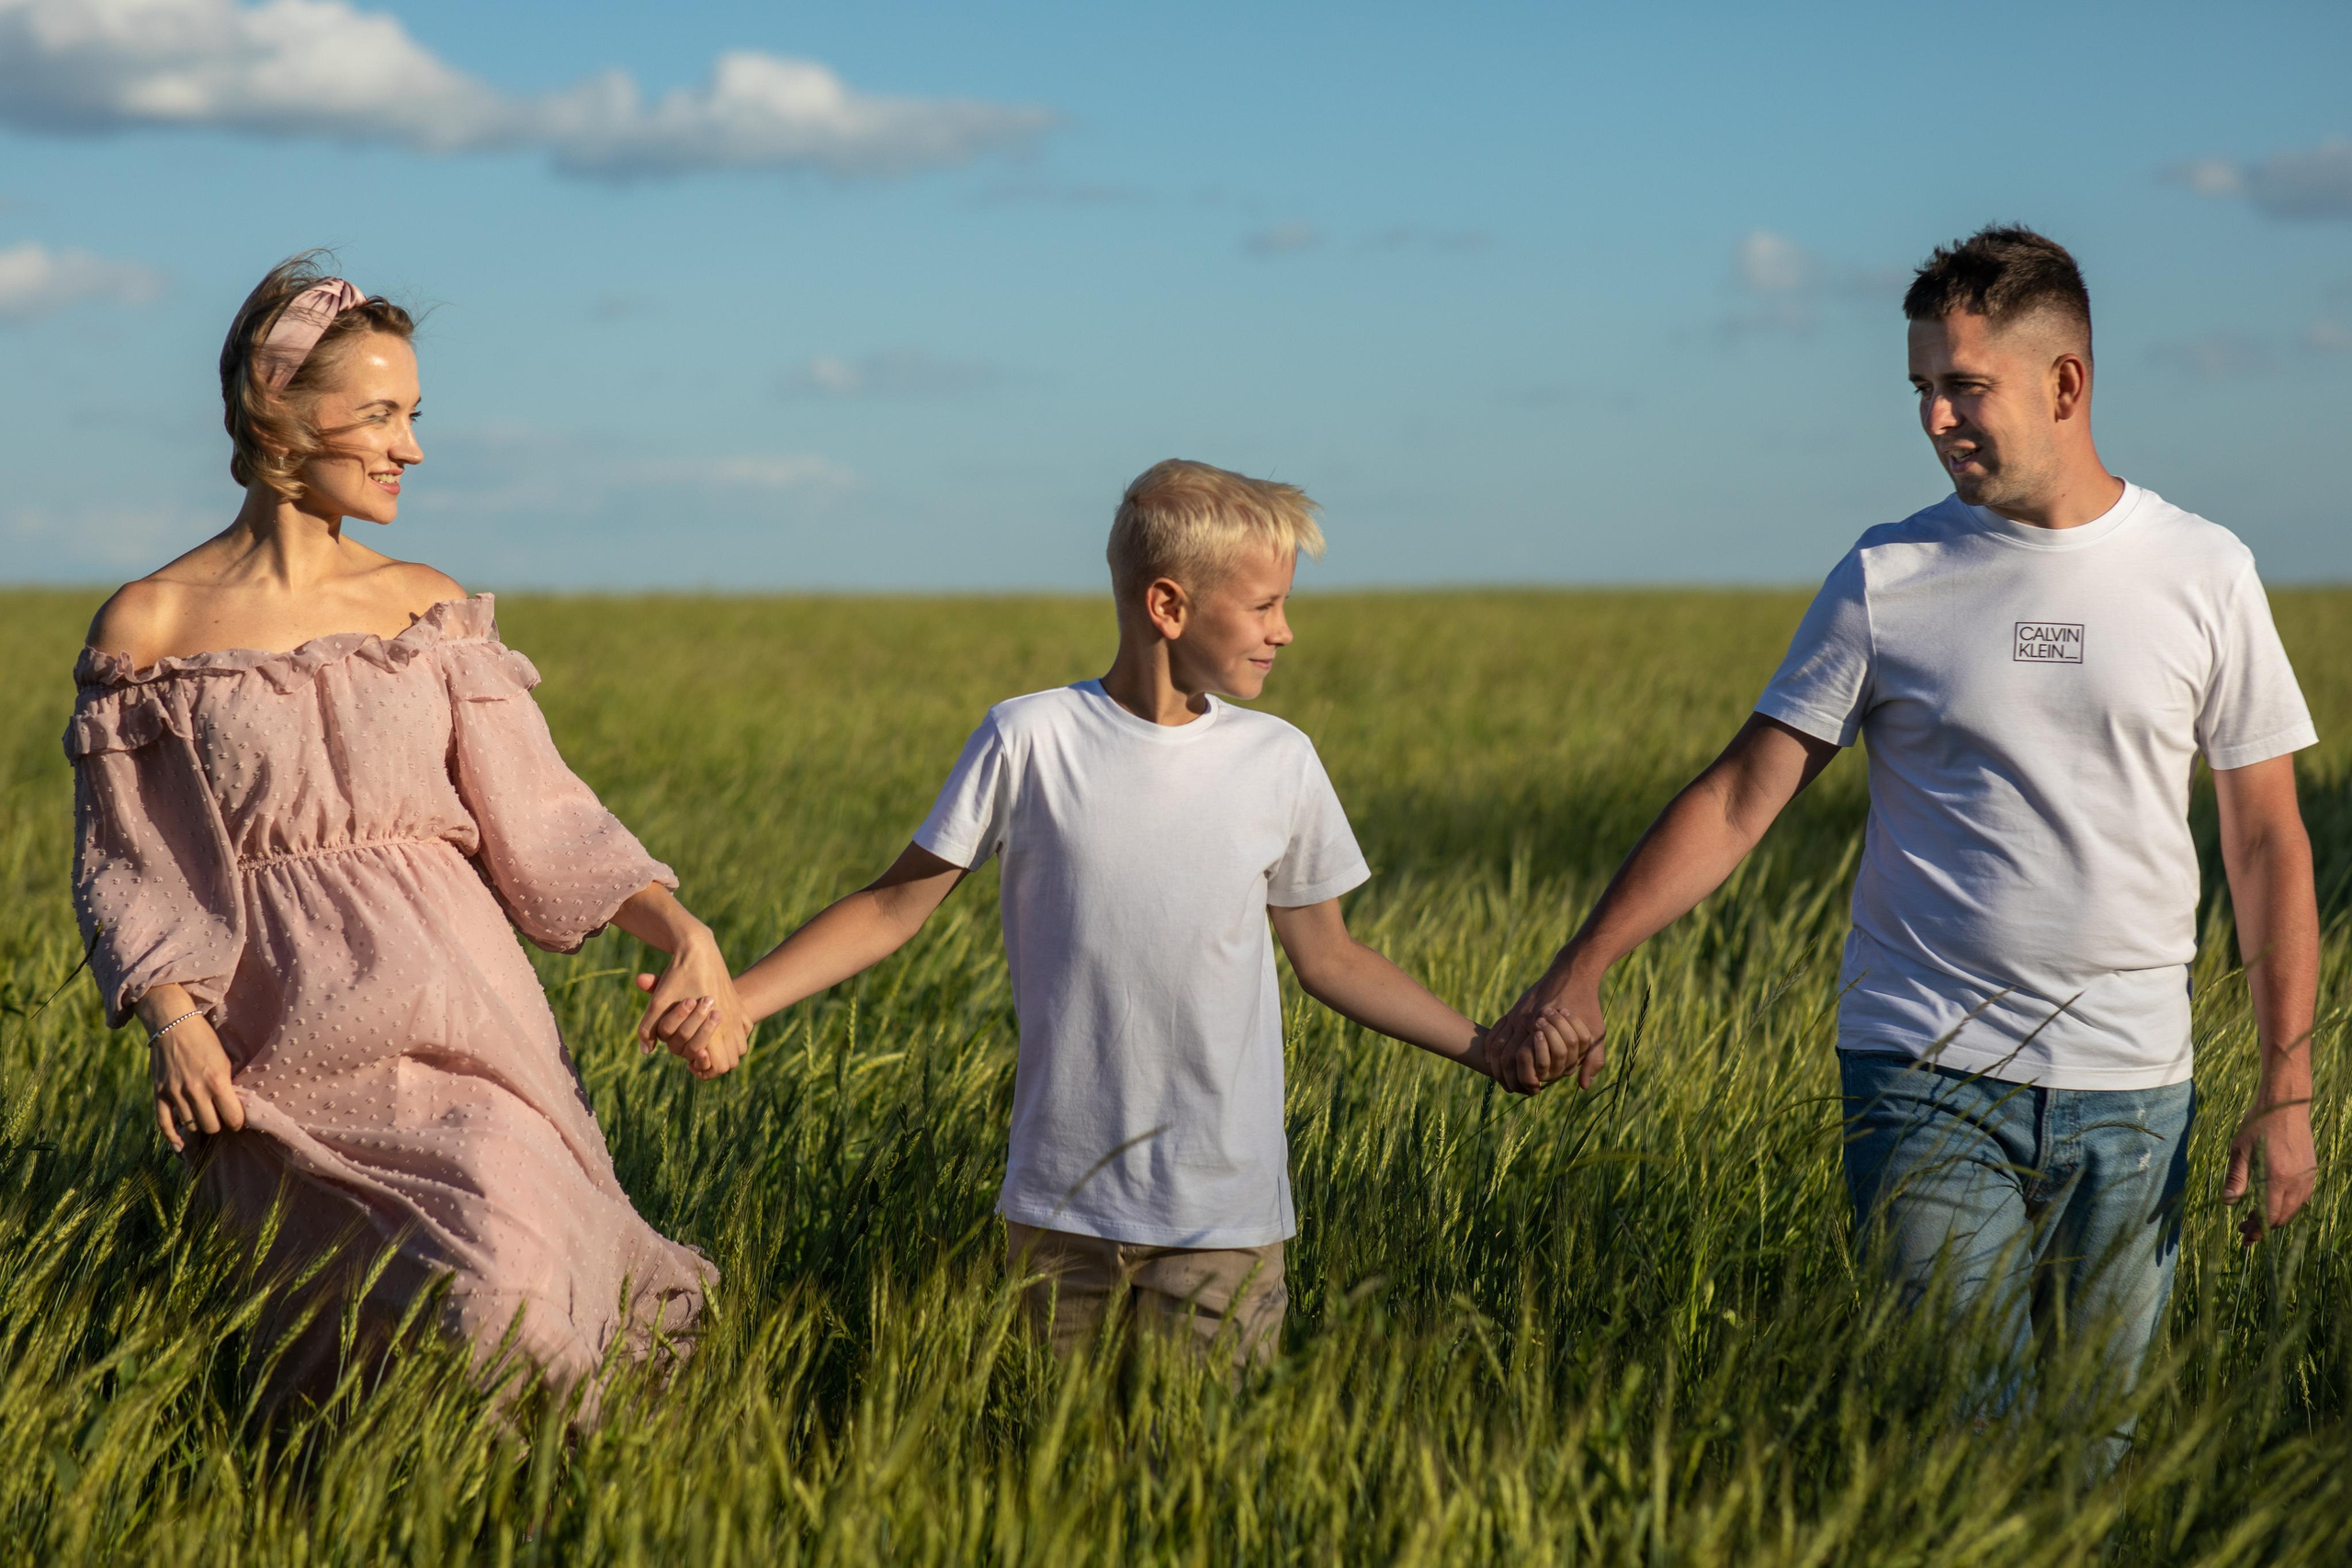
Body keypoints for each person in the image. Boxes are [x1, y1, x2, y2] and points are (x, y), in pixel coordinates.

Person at [1490, 227, 2320, 1447]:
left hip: (2135, 1092)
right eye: (1923, 387)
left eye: (1964, 386)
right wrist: (1581, 965)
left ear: (2066, 383)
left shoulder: (2204, 570)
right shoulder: (1891, 573)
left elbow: (2266, 842)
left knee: (2095, 1449)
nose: (1936, 416)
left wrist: (2286, 1086)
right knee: (1964, 1438)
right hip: (1923, 1071)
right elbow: (1739, 795)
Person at [68, 255, 748, 1418]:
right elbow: (129, 865)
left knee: (512, 1302)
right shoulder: (153, 625)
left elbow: (546, 819)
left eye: (413, 415)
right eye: (381, 413)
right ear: (277, 409)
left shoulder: (429, 612)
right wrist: (173, 1025)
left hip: (468, 1034)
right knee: (344, 1364)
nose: (411, 447)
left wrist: (679, 925)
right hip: (278, 1050)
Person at [651, 459, 1516, 1372]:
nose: (1285, 632)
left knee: (1197, 1481)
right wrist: (737, 1003)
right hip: (1059, 1216)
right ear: (1169, 606)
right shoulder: (1027, 740)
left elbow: (1331, 957)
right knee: (1055, 1472)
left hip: (1220, 1217)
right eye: (1264, 607)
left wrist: (1484, 1046)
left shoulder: (1279, 762)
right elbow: (891, 907)